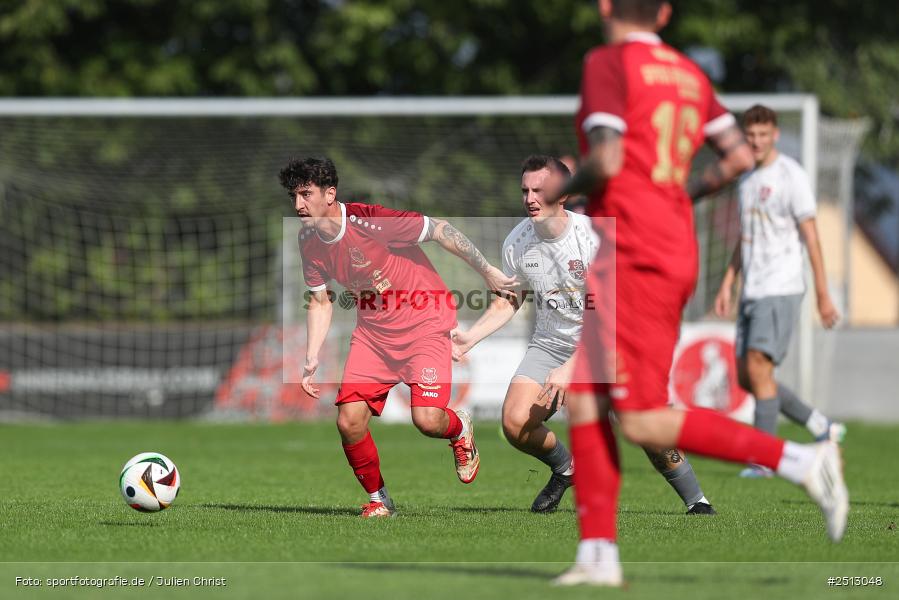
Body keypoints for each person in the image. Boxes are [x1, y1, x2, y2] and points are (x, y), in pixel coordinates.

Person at [552, 0, 849, 586]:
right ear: (663, 13)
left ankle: (801, 460)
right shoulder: (689, 73)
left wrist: (568, 187)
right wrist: (678, 195)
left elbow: (607, 156)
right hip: (668, 244)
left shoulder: (606, 62)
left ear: (606, 7)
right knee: (588, 397)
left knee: (639, 419)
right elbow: (738, 156)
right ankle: (598, 557)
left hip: (634, 251)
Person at [451, 154, 715, 515]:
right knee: (515, 422)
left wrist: (572, 367)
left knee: (642, 427)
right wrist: (470, 337)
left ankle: (696, 501)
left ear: (563, 194)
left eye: (538, 190)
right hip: (551, 343)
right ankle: (566, 469)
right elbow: (510, 300)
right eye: (525, 190)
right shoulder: (517, 242)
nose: (529, 198)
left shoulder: (594, 238)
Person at [280, 156, 517, 518]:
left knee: (427, 420)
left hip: (425, 324)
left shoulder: (371, 221)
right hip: (374, 336)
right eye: (293, 196)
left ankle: (458, 428)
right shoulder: (308, 241)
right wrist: (312, 356)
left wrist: (487, 272)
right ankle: (380, 499)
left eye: (306, 194)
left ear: (330, 194)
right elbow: (320, 301)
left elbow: (440, 229)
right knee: (349, 421)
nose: (298, 205)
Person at [714, 105, 845, 478]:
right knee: (749, 377)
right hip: (752, 288)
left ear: (774, 135)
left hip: (782, 285)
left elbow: (812, 236)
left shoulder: (791, 176)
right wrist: (728, 282)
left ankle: (765, 459)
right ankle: (819, 423)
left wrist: (823, 293)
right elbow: (745, 236)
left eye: (762, 135)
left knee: (758, 367)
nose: (756, 142)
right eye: (750, 135)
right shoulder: (746, 179)